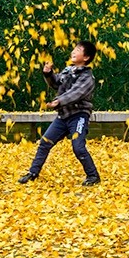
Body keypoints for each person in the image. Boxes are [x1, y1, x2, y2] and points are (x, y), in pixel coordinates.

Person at [18, 40, 101, 186]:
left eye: (78, 50)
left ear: (86, 57)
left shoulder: (88, 77)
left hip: (79, 116)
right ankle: (33, 172)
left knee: (78, 147)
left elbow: (77, 93)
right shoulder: (68, 70)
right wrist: (48, 73)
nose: (73, 52)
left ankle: (93, 176)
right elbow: (56, 83)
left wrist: (59, 101)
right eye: (74, 49)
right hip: (63, 116)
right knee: (44, 143)